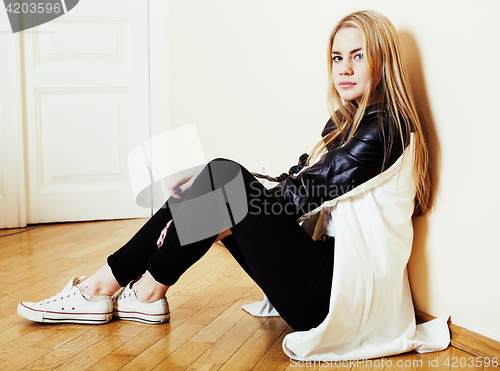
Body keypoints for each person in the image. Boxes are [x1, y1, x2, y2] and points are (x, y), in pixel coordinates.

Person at [17, 10, 449, 359]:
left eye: (358, 56)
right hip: (322, 273)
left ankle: (118, 288)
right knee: (215, 181)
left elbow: (298, 198)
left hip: (335, 299)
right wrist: (205, 206)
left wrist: (211, 213)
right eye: (338, 57)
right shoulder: (349, 122)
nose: (345, 68)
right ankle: (132, 289)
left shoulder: (385, 128)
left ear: (383, 60)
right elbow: (294, 181)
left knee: (223, 177)